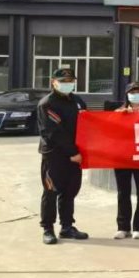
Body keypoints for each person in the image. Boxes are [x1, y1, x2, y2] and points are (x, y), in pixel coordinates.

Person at [37, 67, 88, 245]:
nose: (67, 84)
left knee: (70, 191)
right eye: (63, 81)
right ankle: (48, 228)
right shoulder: (47, 103)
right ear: (53, 82)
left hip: (75, 154)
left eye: (70, 81)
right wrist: (72, 153)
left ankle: (67, 226)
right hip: (54, 155)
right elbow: (54, 132)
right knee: (51, 190)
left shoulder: (78, 101)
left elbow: (88, 124)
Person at [113, 82, 139, 240]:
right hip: (122, 157)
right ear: (127, 95)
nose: (136, 95)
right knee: (123, 192)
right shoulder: (119, 112)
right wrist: (119, 117)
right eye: (133, 92)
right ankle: (123, 227)